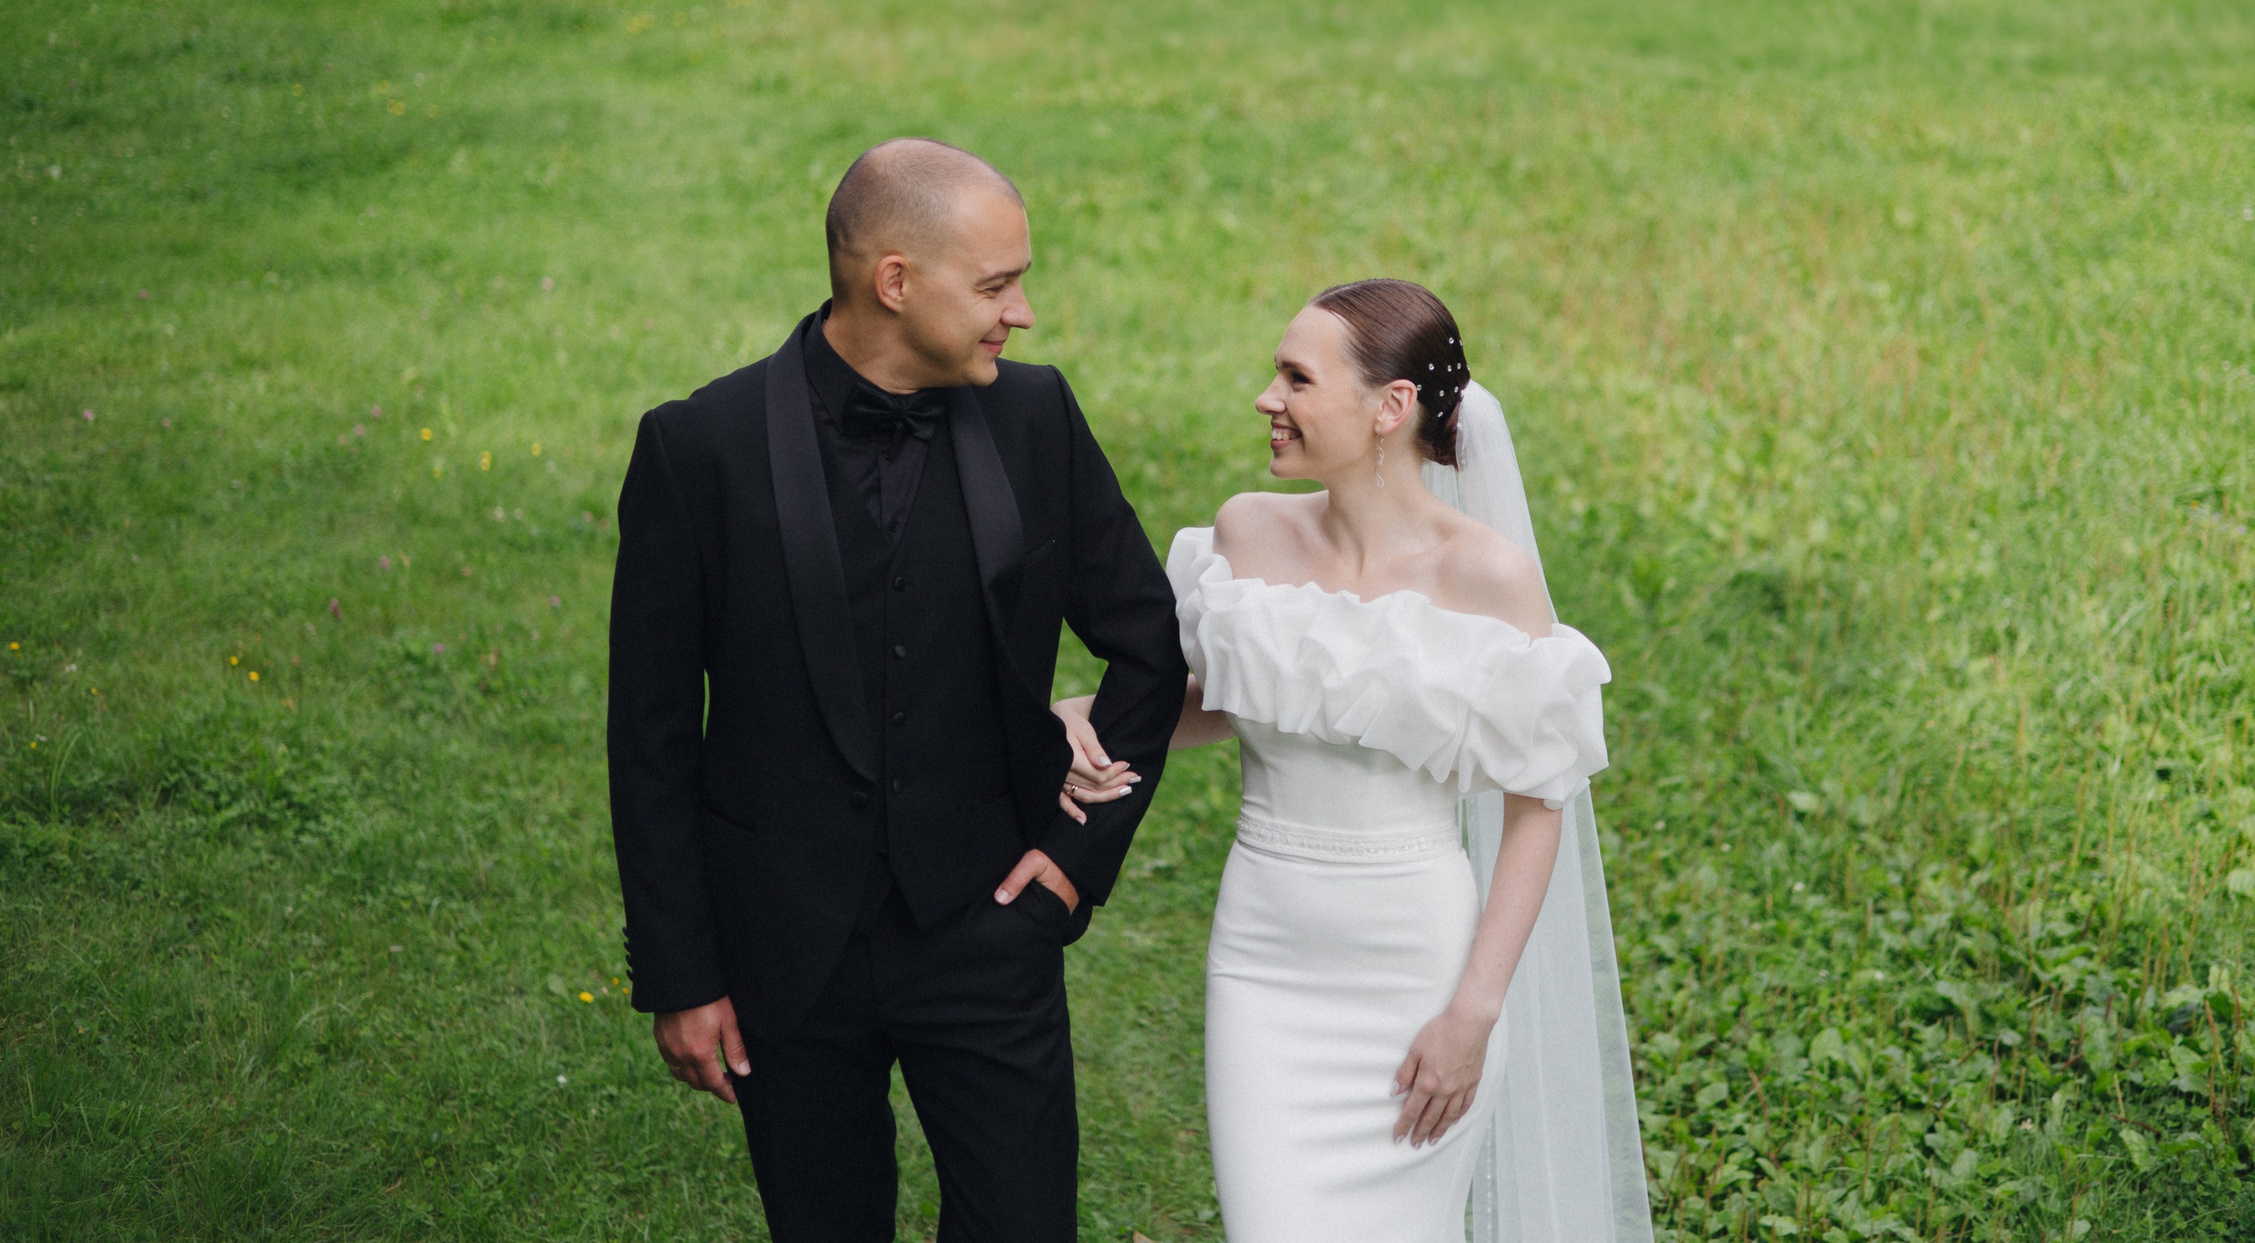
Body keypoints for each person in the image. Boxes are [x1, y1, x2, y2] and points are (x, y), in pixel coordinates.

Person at [607, 138, 1190, 1243]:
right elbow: (649, 739)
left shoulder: (1035, 417)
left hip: (988, 926)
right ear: (893, 283)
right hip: (786, 950)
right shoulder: (701, 449)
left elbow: (1148, 639)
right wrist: (681, 975)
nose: (1020, 313)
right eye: (997, 284)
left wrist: (1071, 866)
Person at [1055, 279, 1654, 1242]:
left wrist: (1473, 1013)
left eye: (1296, 377)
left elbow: (1539, 801)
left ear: (1391, 407)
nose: (1266, 398)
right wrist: (1077, 719)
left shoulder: (1486, 575)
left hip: (1416, 970)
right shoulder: (1249, 532)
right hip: (1263, 960)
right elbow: (1220, 700)